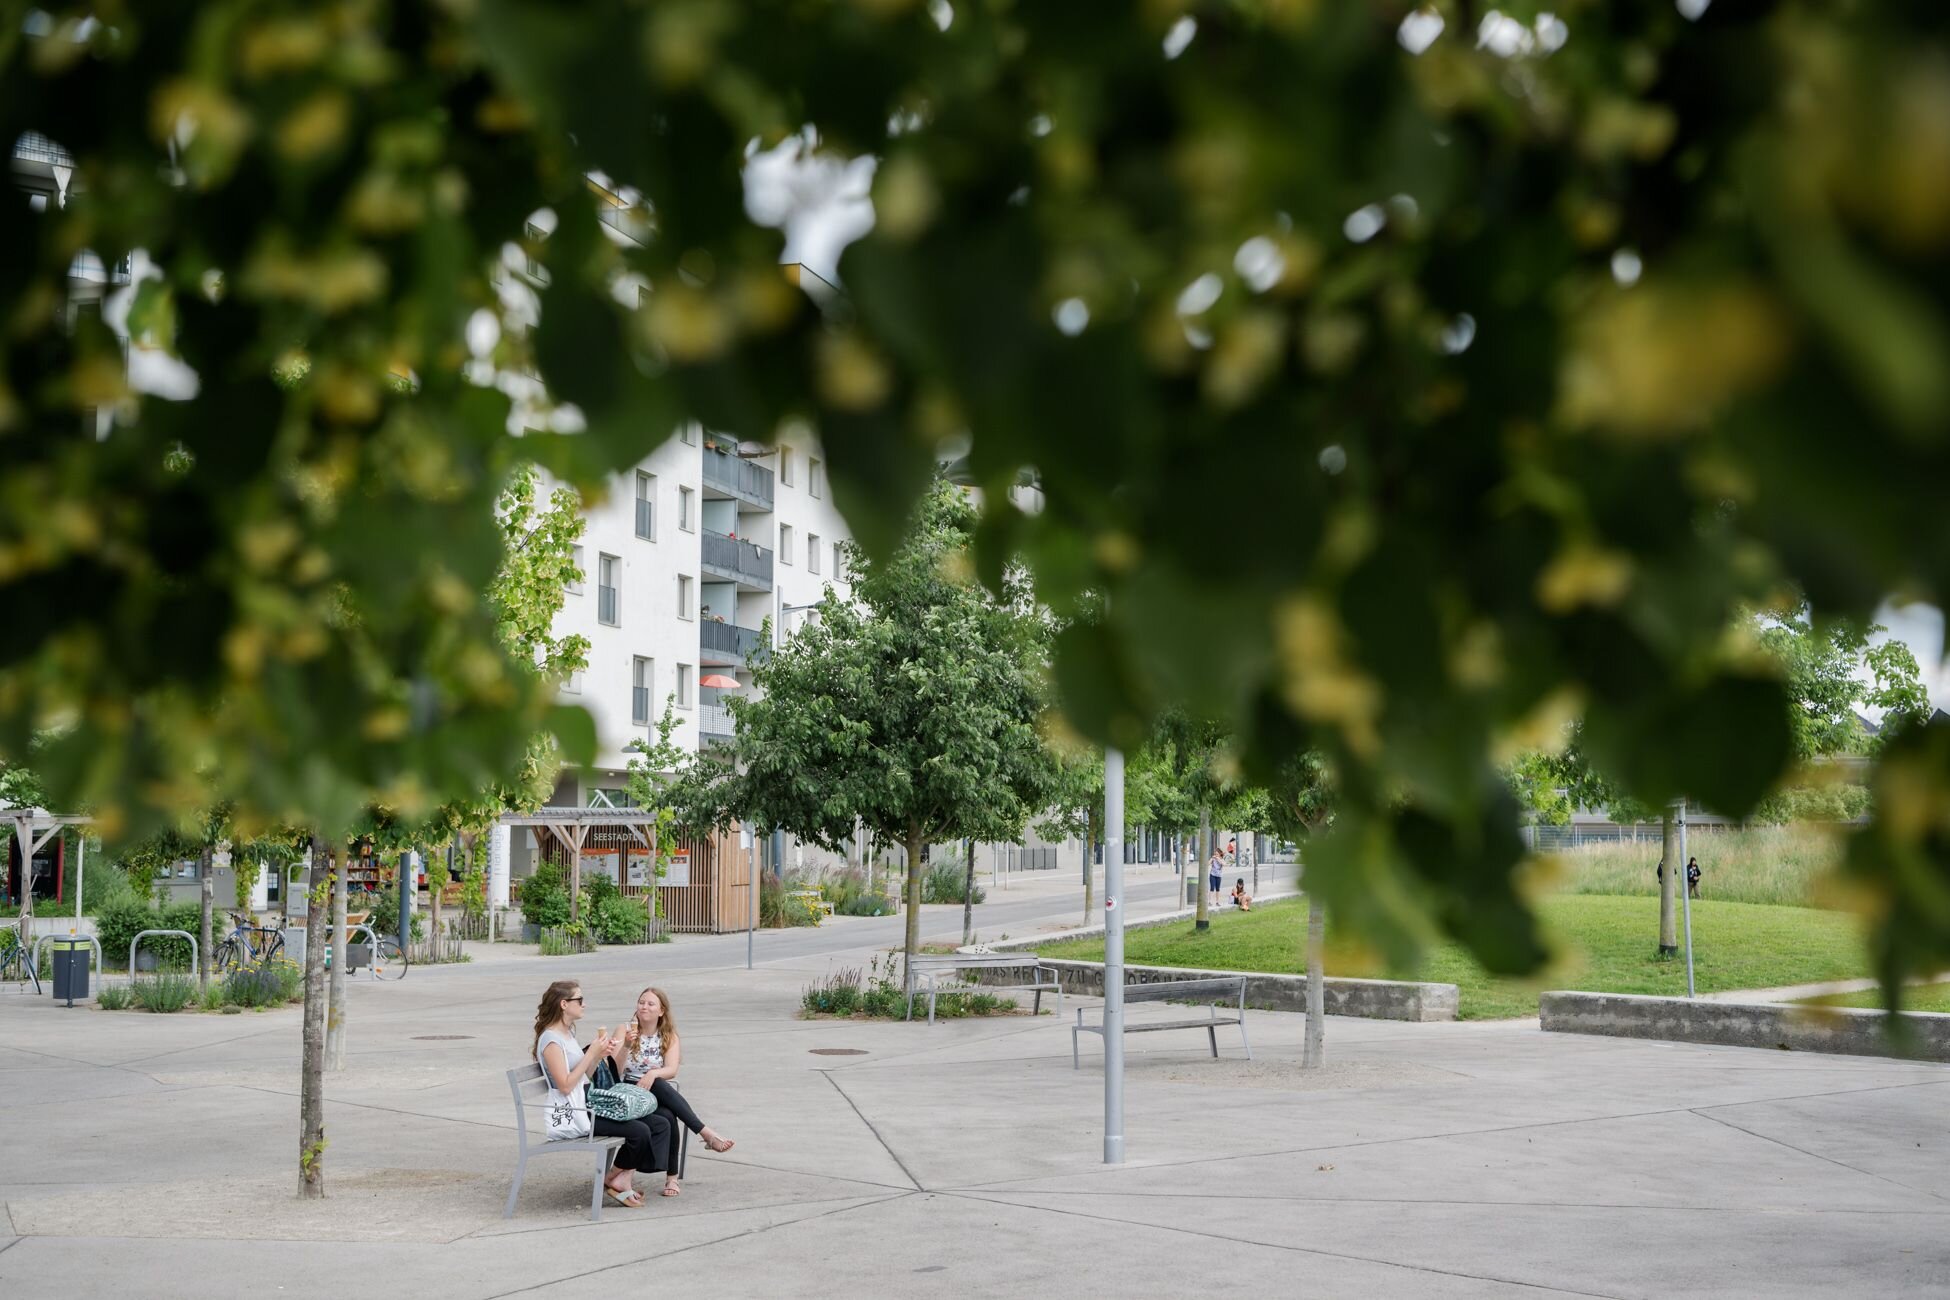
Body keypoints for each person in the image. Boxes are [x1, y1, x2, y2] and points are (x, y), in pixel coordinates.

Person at [532, 979, 671, 1209]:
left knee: (659, 1123)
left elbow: (586, 1072)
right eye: (580, 1000)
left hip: (585, 1100)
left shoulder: (566, 1033)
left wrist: (600, 1054)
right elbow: (565, 1086)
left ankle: (616, 1177)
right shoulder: (551, 1040)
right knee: (640, 1131)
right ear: (564, 1004)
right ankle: (615, 1180)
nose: (584, 1004)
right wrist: (591, 1054)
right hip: (573, 1111)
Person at [610, 986, 736, 1198]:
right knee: (666, 1106)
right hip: (627, 1090)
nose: (644, 1007)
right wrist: (626, 1046)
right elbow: (614, 1070)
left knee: (666, 1106)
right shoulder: (624, 1030)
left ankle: (672, 1177)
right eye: (641, 1002)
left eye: (651, 1004)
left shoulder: (668, 1036)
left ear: (661, 1011)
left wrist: (652, 1074)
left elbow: (671, 1069)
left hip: (652, 1091)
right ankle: (703, 1135)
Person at [1207, 847, 1224, 912]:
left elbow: (1224, 864)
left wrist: (1218, 859)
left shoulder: (1221, 859)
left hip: (1219, 876)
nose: (1216, 855)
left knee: (1218, 889)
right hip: (1212, 875)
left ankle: (1217, 902)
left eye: (1217, 854)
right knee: (1212, 888)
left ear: (1219, 854)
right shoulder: (1213, 859)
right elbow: (1208, 864)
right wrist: (1212, 858)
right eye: (1215, 854)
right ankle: (1210, 901)